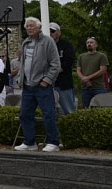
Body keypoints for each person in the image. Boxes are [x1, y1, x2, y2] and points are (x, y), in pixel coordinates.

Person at [14, 16, 62, 152]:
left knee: (48, 114)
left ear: (39, 27)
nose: (29, 28)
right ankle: (30, 142)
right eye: (27, 26)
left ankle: (53, 142)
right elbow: (22, 63)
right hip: (27, 86)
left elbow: (55, 64)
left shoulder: (48, 41)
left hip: (42, 86)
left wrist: (46, 80)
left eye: (31, 26)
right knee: (25, 114)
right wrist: (20, 78)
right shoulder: (25, 43)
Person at [49, 23, 77, 115]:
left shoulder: (66, 45)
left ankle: (72, 126)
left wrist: (55, 71)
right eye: (48, 31)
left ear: (59, 33)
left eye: (52, 31)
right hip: (48, 83)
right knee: (49, 110)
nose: (50, 33)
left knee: (69, 110)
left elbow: (69, 61)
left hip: (63, 84)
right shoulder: (44, 46)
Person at [77, 37, 109, 109]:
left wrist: (88, 78)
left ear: (96, 45)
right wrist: (84, 79)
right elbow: (78, 70)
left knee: (100, 109)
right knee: (86, 109)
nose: (89, 44)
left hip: (98, 87)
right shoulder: (81, 56)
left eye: (91, 42)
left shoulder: (101, 56)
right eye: (87, 42)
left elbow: (103, 70)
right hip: (85, 87)